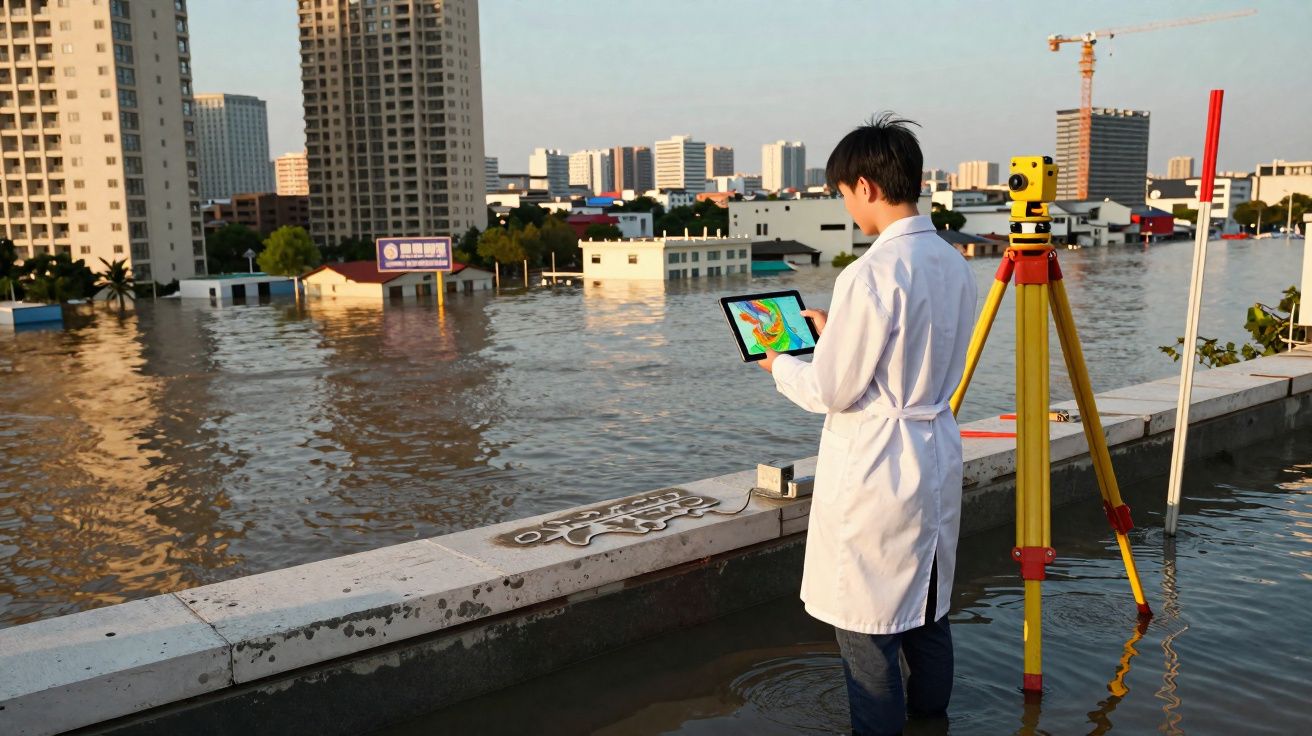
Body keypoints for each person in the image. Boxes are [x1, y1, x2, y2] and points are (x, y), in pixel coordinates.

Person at [757, 113, 977, 736]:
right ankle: (932, 720)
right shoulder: (951, 261)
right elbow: (915, 347)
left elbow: (832, 389)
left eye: (844, 194)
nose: (847, 205)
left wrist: (781, 362)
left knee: (866, 627)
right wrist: (835, 329)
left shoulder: (870, 273)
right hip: (933, 444)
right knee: (927, 609)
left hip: (881, 463)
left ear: (867, 187)